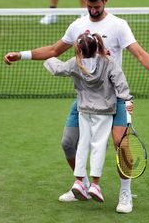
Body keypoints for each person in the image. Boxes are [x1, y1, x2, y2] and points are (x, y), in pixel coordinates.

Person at [4, 0, 149, 213]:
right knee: (68, 143)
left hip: (114, 98)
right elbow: (53, 52)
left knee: (120, 145)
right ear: (85, 0)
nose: (94, 10)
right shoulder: (77, 26)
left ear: (106, 1)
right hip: (86, 99)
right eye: (90, 6)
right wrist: (20, 55)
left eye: (98, 6)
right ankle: (81, 184)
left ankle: (125, 193)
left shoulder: (118, 26)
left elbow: (140, 54)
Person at [44, 32, 133, 202]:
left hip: (84, 111)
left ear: (79, 50)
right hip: (104, 112)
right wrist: (128, 100)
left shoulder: (74, 63)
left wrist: (49, 57)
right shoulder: (108, 63)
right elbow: (121, 84)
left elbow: (56, 68)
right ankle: (95, 185)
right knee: (98, 146)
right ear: (98, 46)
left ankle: (79, 181)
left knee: (83, 144)